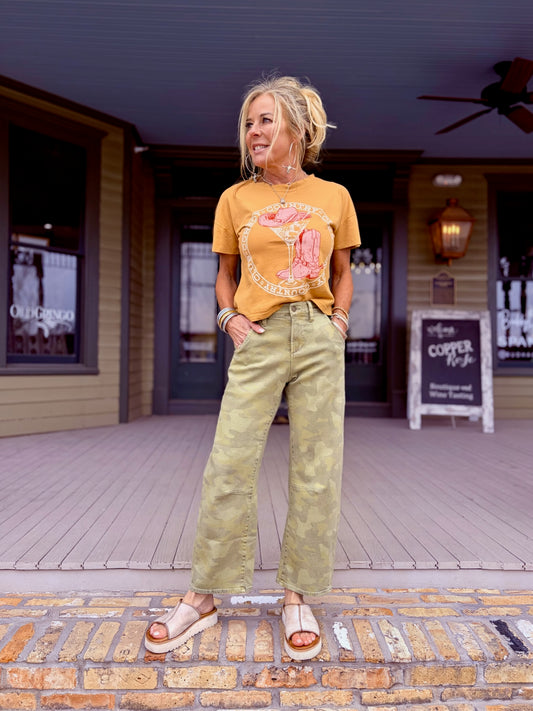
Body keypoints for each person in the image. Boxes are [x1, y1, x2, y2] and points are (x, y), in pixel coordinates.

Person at [144, 75, 361, 661]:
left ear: (297, 129)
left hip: (316, 335)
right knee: (229, 464)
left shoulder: (334, 197)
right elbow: (225, 274)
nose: (254, 132)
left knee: (317, 468)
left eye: (266, 120)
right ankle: (203, 597)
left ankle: (297, 597)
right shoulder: (235, 199)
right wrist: (228, 318)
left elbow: (343, 272)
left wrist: (338, 324)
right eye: (248, 123)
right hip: (257, 337)